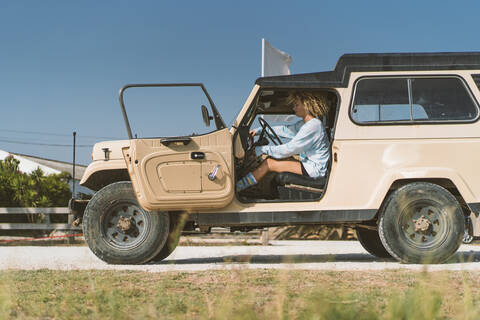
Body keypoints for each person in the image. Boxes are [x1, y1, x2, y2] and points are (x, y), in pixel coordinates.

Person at [236, 91, 331, 192]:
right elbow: (285, 130)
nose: (293, 108)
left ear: (306, 105)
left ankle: (238, 188)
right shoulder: (305, 124)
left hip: (315, 169)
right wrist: (258, 130)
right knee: (273, 158)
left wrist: (262, 150)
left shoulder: (313, 126)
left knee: (269, 163)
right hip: (309, 165)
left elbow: (289, 149)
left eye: (296, 105)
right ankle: (256, 189)